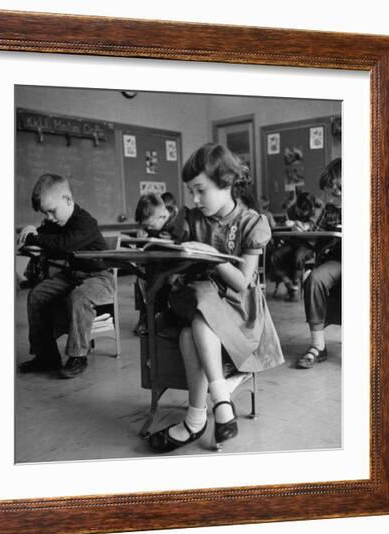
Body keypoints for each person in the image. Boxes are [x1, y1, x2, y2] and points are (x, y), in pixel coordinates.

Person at [148, 143, 284, 453]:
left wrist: (214, 256)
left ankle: (196, 420)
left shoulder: (252, 223)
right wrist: (173, 268)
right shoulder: (191, 219)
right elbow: (179, 264)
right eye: (191, 192)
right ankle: (220, 400)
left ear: (226, 184)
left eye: (200, 190)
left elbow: (241, 283)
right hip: (197, 300)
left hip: (238, 311)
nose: (194, 199)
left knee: (189, 331)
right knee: (198, 301)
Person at [17, 173, 115, 379]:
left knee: (79, 297)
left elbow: (64, 244)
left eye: (52, 211)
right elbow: (42, 235)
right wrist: (31, 230)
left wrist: (37, 237)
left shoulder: (85, 222)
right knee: (37, 295)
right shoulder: (55, 222)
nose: (49, 218)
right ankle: (46, 356)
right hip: (72, 276)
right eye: (46, 214)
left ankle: (78, 355)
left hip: (99, 277)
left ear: (68, 200)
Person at [296, 158, 342, 368]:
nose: (326, 198)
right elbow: (316, 231)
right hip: (337, 260)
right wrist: (303, 229)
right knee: (314, 279)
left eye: (329, 192)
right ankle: (318, 345)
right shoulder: (330, 208)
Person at [133, 193, 180, 334]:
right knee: (145, 280)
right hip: (156, 268)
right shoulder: (153, 224)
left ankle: (156, 316)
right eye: (145, 226)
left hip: (177, 269)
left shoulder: (178, 221)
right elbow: (142, 248)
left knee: (159, 283)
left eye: (150, 225)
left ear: (162, 216)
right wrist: (142, 239)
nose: (149, 229)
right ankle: (151, 315)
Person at [270, 191, 318, 300]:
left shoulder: (317, 209)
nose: (300, 213)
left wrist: (295, 223)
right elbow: (281, 224)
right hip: (292, 242)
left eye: (304, 212)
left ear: (310, 210)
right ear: (296, 205)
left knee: (298, 256)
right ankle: (288, 283)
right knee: (275, 257)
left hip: (308, 244)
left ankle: (295, 286)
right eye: (299, 210)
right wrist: (285, 223)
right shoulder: (291, 210)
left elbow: (310, 225)